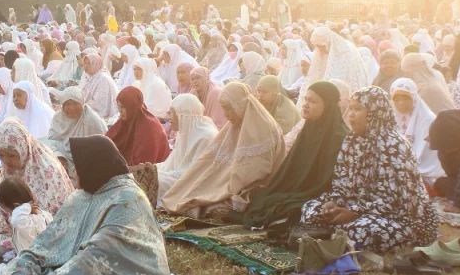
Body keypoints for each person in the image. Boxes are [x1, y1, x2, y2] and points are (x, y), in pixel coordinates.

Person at [0, 135, 171, 275]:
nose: (73, 172)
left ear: (94, 166)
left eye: (78, 166)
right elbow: (47, 241)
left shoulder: (127, 199)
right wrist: (19, 274)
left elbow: (104, 252)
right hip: (83, 263)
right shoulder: (81, 197)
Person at [299, 87, 439, 253]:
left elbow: (393, 200)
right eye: (350, 108)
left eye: (358, 109)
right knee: (310, 210)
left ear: (375, 112)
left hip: (401, 217)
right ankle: (336, 234)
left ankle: (340, 236)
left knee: (359, 232)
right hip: (359, 208)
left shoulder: (394, 146)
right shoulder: (352, 141)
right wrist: (335, 201)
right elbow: (342, 183)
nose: (351, 114)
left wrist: (354, 213)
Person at [231, 81, 349, 231]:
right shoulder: (309, 127)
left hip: (322, 195)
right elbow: (293, 168)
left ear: (328, 106)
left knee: (293, 208)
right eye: (305, 99)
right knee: (263, 199)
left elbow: (328, 180)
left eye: (313, 101)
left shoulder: (339, 137)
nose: (305, 104)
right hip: (300, 189)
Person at [162, 82, 286, 219]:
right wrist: (200, 180)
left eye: (228, 109)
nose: (226, 115)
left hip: (252, 188)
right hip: (230, 181)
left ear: (239, 105)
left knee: (213, 208)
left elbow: (253, 174)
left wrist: (221, 187)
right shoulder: (234, 125)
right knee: (190, 193)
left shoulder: (263, 128)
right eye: (223, 109)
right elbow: (209, 160)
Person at [0, 119, 74, 261]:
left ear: (23, 148)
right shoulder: (12, 167)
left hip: (42, 232)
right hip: (16, 219)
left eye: (11, 155)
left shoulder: (45, 171)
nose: (6, 161)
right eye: (1, 155)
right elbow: (4, 194)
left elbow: (38, 221)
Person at [131, 94, 218, 205]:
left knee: (149, 181)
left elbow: (192, 175)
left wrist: (155, 175)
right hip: (179, 177)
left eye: (172, 112)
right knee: (138, 175)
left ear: (183, 114)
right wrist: (149, 169)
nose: (169, 116)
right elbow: (172, 164)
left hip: (193, 184)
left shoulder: (206, 137)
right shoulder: (186, 132)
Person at [389, 78, 445, 186]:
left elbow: (428, 156)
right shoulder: (391, 118)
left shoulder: (428, 120)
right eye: (396, 99)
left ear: (414, 98)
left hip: (426, 170)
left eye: (406, 98)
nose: (401, 103)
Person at [40, 86, 107, 166]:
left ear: (82, 103)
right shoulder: (58, 117)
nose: (71, 108)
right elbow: (52, 139)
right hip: (63, 155)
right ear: (62, 105)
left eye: (75, 103)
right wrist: (59, 155)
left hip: (84, 159)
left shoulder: (91, 120)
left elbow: (102, 147)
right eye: (67, 104)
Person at [106, 86, 170, 165]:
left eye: (122, 107)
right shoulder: (126, 119)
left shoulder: (149, 127)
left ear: (131, 107)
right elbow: (108, 140)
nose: (120, 111)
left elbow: (142, 163)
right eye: (118, 106)